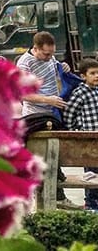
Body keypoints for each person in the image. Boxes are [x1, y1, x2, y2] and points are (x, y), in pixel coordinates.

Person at [17, 31, 78, 209]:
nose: (49, 57)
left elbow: (56, 68)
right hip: (36, 114)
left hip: (54, 111)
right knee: (43, 154)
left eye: (52, 54)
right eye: (46, 54)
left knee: (55, 151)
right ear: (35, 49)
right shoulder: (24, 64)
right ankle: (49, 196)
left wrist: (64, 67)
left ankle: (57, 193)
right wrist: (47, 100)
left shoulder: (50, 58)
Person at [63, 58, 98, 211]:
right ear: (83, 76)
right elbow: (70, 114)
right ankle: (90, 204)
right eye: (92, 73)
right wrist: (76, 130)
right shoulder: (80, 93)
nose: (96, 76)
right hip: (88, 140)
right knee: (91, 173)